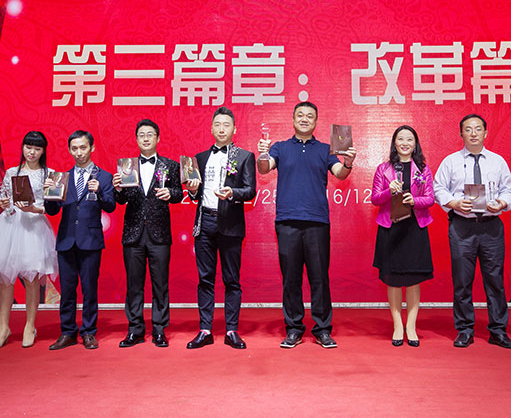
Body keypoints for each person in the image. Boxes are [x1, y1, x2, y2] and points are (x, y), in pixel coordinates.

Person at [257, 101, 356, 349]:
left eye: (309, 116)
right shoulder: (280, 147)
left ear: (315, 122)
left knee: (319, 278)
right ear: (293, 119)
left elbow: (340, 173)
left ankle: (322, 329)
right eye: (300, 115)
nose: (304, 119)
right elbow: (264, 169)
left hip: (317, 222)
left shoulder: (325, 149)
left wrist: (348, 162)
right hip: (287, 222)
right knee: (290, 279)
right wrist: (262, 154)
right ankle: (293, 329)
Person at [433, 114, 511, 349]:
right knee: (462, 281)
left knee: (495, 280)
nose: (473, 133)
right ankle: (464, 330)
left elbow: (508, 190)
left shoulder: (497, 161)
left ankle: (498, 330)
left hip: (491, 226)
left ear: (485, 133)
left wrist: (502, 203)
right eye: (468, 129)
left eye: (478, 129)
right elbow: (438, 188)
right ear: (461, 133)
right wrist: (454, 203)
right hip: (462, 226)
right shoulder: (450, 161)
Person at [0, 131, 58, 349]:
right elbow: (5, 199)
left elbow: (51, 206)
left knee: (32, 279)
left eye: (37, 148)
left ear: (43, 151)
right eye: (28, 147)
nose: (32, 152)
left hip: (34, 229)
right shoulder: (12, 172)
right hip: (10, 227)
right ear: (22, 148)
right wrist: (4, 204)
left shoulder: (49, 174)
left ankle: (30, 326)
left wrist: (34, 209)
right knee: (6, 279)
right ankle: (3, 328)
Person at [184, 107, 256, 350]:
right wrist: (192, 190)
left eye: (226, 124)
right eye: (217, 124)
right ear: (211, 128)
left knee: (231, 279)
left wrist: (232, 193)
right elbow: (196, 195)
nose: (222, 129)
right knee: (205, 279)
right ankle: (205, 330)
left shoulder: (244, 156)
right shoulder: (200, 158)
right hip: (204, 222)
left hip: (231, 224)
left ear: (234, 129)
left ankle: (231, 330)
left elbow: (250, 190)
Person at [44, 130, 115, 350]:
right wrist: (49, 195)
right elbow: (53, 210)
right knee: (67, 290)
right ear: (69, 150)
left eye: (83, 147)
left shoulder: (104, 177)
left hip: (91, 240)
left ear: (92, 148)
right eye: (74, 148)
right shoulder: (62, 178)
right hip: (66, 239)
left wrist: (100, 192)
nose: (79, 152)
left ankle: (89, 332)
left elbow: (111, 206)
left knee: (89, 288)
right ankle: (67, 332)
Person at [113, 119, 181, 348]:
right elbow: (120, 199)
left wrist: (170, 193)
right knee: (134, 285)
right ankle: (135, 330)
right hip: (133, 233)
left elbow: (179, 193)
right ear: (136, 139)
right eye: (141, 134)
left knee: (160, 284)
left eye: (150, 134)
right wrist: (118, 188)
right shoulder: (127, 166)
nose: (146, 138)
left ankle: (159, 330)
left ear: (158, 138)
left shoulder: (170, 165)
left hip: (159, 233)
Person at [370, 125, 434, 347]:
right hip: (391, 228)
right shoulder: (383, 169)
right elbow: (375, 199)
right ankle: (398, 325)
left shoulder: (423, 169)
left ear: (415, 144)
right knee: (393, 279)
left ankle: (411, 327)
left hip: (415, 227)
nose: (405, 143)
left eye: (409, 139)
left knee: (414, 280)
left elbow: (430, 198)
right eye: (401, 139)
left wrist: (414, 201)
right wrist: (390, 191)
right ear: (394, 143)